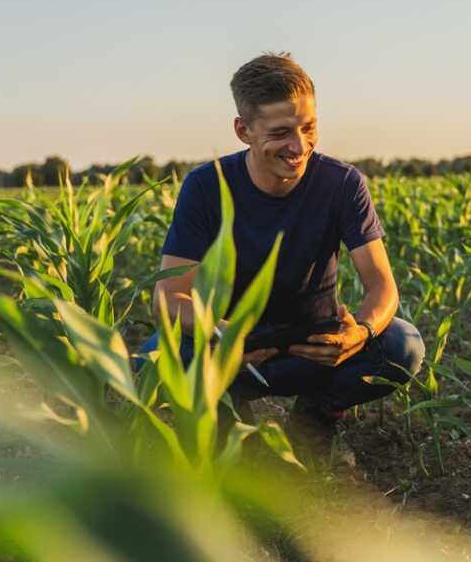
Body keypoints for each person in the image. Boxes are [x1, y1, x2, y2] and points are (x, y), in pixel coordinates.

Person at [142, 52, 424, 463]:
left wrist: (358, 333)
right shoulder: (206, 186)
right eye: (280, 132)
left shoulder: (341, 183)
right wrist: (226, 337)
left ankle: (316, 415)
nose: (299, 146)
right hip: (233, 351)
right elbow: (168, 298)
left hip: (316, 346)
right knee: (154, 359)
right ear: (243, 131)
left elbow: (381, 285)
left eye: (309, 128)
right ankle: (229, 424)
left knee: (402, 345)